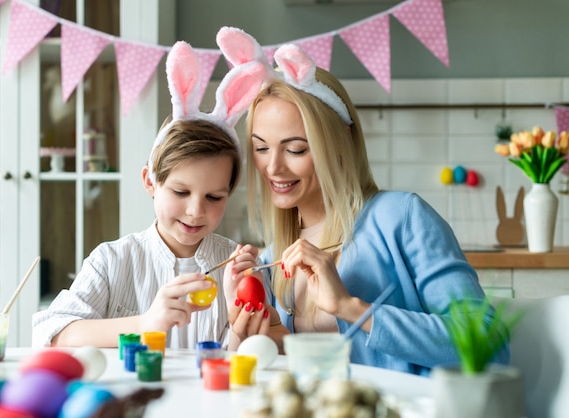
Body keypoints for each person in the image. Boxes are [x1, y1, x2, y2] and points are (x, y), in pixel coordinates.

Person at [217, 27, 509, 376]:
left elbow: (489, 345)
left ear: (339, 141)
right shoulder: (273, 258)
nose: (273, 167)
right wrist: (254, 330)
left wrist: (350, 307)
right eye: (261, 148)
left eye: (295, 149)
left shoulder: (401, 218)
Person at [32, 40, 268, 349]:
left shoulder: (236, 267)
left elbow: (240, 364)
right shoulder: (112, 261)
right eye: (181, 191)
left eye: (214, 197)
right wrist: (145, 323)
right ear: (150, 182)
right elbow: (52, 333)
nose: (196, 210)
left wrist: (240, 326)